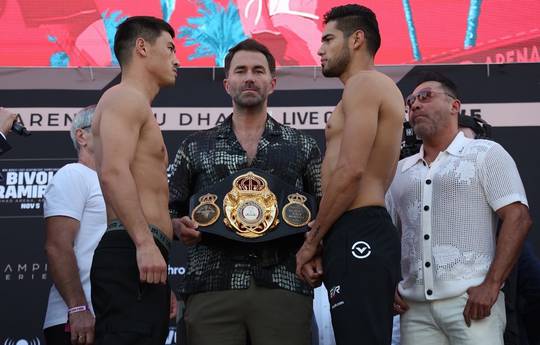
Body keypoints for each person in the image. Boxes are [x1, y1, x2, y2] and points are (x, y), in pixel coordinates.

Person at [169, 38, 322, 345]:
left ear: (272, 82)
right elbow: (169, 208)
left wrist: (317, 248)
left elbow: (324, 209)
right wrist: (176, 226)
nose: (249, 77)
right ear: (227, 84)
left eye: (258, 70)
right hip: (212, 286)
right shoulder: (194, 145)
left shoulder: (303, 146)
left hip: (284, 285)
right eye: (240, 71)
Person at [388, 71, 532, 345]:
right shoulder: (399, 172)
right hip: (414, 309)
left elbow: (518, 217)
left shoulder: (485, 154)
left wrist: (491, 285)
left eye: (425, 96)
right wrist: (385, 283)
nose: (415, 105)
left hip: (472, 304)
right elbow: (382, 231)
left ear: (455, 106)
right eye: (410, 101)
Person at [295, 4, 405, 345]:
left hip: (361, 228)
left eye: (328, 39)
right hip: (352, 229)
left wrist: (311, 242)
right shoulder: (362, 89)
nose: (319, 49)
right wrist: (325, 240)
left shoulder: (365, 84)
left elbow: (351, 171)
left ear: (357, 39)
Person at [90, 16, 179, 345]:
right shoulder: (123, 97)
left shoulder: (136, 105)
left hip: (144, 257)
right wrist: (144, 244)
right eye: (169, 48)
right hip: (130, 251)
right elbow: (113, 172)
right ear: (142, 47)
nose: (177, 58)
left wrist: (170, 229)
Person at [43, 105, 106, 345]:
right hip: (77, 319)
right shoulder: (73, 175)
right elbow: (58, 246)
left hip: (114, 316)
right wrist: (78, 307)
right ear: (82, 136)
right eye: (107, 126)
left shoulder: (119, 185)